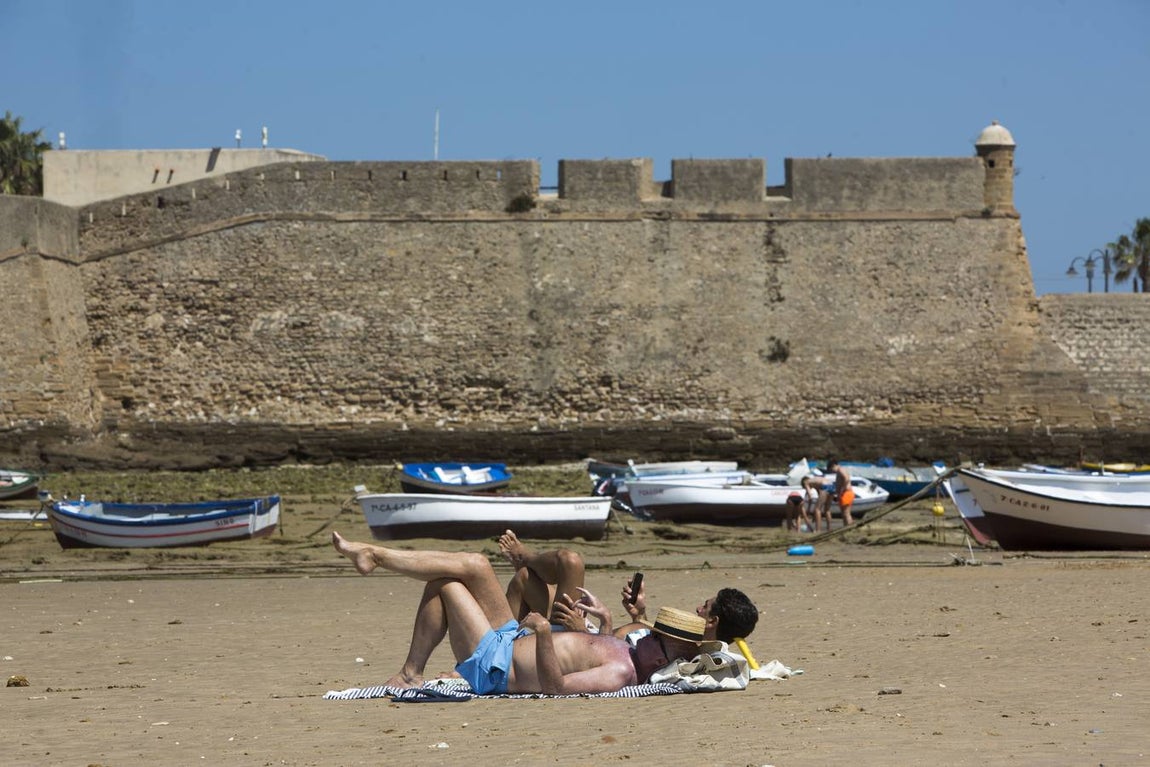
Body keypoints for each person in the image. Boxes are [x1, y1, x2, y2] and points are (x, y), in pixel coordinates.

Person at [330, 531, 705, 694]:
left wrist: (544, 632)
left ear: (662, 659)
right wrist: (606, 623)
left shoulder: (621, 672)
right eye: (655, 632)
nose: (649, 636)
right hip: (510, 638)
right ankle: (374, 554)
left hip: (494, 665)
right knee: (476, 564)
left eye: (657, 638)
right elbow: (596, 645)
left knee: (446, 586)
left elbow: (556, 688)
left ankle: (411, 673)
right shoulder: (633, 648)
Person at [815, 458, 855, 529]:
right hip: (843, 493)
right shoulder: (839, 471)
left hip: (846, 493)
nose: (832, 471)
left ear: (834, 465)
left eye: (831, 469)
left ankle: (850, 528)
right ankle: (846, 528)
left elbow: (846, 479)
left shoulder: (841, 470)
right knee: (844, 513)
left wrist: (842, 490)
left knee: (846, 513)